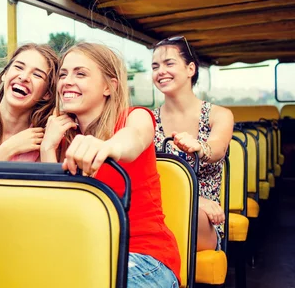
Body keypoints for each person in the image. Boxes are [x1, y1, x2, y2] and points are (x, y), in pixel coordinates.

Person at [41, 43, 181, 287]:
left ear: (109, 86)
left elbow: (135, 137)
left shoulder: (134, 117)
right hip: (85, 255)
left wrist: (108, 147)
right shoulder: (63, 140)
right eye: (63, 74)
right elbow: (56, 215)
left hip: (145, 258)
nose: (67, 81)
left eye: (80, 73)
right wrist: (47, 149)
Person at [151, 36, 234, 251]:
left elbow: (217, 149)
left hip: (203, 217)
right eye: (155, 66)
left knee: (189, 213)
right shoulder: (146, 120)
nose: (161, 71)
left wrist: (200, 148)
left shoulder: (219, 115)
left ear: (190, 69)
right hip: (156, 210)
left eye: (169, 63)